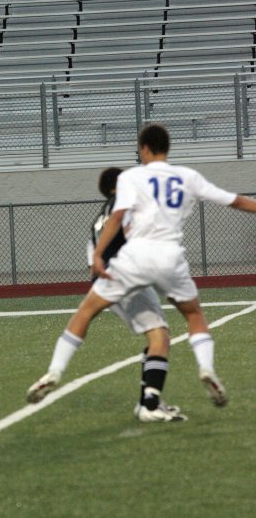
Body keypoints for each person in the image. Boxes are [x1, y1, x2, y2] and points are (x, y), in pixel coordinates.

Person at [26, 124, 256, 418]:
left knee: (85, 312)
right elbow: (234, 200)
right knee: (193, 315)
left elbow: (118, 216)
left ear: (144, 148)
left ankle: (55, 372)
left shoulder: (131, 177)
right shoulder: (187, 176)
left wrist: (97, 254)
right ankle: (206, 368)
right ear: (167, 148)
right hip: (170, 257)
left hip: (133, 258)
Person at [85, 167, 185, 422]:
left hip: (110, 279)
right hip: (124, 277)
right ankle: (149, 406)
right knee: (159, 337)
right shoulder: (123, 207)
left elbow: (92, 261)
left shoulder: (100, 218)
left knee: (158, 336)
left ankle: (148, 400)